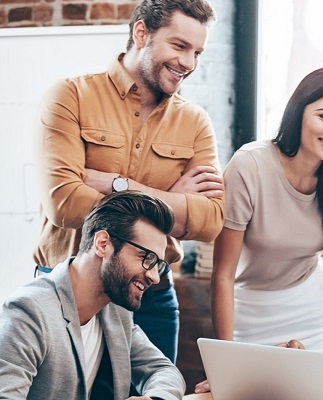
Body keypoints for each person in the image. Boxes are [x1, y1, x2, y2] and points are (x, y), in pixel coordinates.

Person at [32, 0, 225, 363]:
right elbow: (65, 203)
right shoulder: (71, 97)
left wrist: (118, 184)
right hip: (70, 288)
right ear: (141, 33)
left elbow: (210, 220)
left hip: (150, 292)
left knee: (155, 389)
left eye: (197, 52)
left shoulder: (196, 122)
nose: (189, 63)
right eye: (179, 46)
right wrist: (172, 201)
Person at [209, 65, 323, 348]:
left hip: (315, 309)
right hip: (252, 311)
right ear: (298, 113)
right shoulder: (250, 165)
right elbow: (222, 275)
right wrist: (223, 358)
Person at [0, 191, 185, 399]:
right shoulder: (28, 312)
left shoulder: (115, 309)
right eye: (146, 258)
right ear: (102, 244)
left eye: (157, 265)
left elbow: (164, 371)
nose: (154, 277)